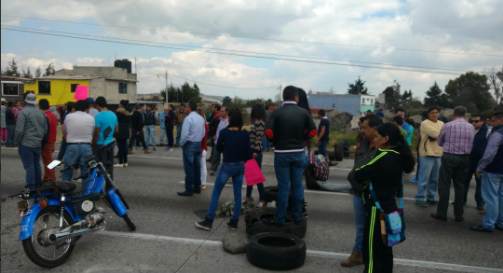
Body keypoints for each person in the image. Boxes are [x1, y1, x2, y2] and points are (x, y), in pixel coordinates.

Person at [354, 123, 415, 273]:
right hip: (389, 208)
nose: (373, 140)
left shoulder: (383, 156)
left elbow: (358, 173)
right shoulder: (398, 155)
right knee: (386, 251)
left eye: (376, 137)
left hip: (376, 210)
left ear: (386, 139)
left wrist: (369, 177)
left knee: (372, 254)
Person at [265, 86, 317, 225]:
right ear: (296, 97)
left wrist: (275, 141)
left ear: (283, 97)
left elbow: (268, 132)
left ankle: (280, 218)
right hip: (298, 153)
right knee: (297, 186)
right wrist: (302, 138)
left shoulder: (276, 112)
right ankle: (297, 216)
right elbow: (313, 131)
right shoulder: (304, 113)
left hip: (281, 154)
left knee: (283, 188)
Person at [196, 109, 252, 231]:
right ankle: (234, 222)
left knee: (216, 193)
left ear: (231, 119)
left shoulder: (225, 132)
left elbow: (219, 148)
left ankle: (209, 220)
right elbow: (249, 154)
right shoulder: (245, 134)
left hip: (227, 165)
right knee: (238, 195)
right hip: (240, 166)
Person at [342, 115, 383, 267]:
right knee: (361, 226)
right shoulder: (365, 144)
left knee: (376, 229)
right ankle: (358, 253)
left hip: (373, 196)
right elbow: (358, 163)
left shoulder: (384, 148)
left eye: (365, 128)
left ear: (375, 129)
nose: (362, 131)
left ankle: (371, 257)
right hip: (359, 193)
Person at [431, 106, 474, 222]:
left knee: (444, 184)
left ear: (453, 114)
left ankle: (442, 213)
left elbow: (439, 141)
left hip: (450, 156)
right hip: (465, 158)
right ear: (465, 115)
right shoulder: (471, 127)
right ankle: (459, 214)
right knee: (460, 186)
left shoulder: (448, 125)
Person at [471, 112, 503, 233]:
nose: (492, 123)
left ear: (501, 120)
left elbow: (490, 154)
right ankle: (500, 221)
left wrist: (480, 167)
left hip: (493, 169)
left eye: (494, 121)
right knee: (501, 197)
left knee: (491, 197)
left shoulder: (497, 134)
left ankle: (488, 223)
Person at [15, 93, 48, 190]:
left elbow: (19, 130)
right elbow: (45, 130)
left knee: (29, 166)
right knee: (36, 165)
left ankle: (30, 187)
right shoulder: (42, 113)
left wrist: (17, 141)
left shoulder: (23, 112)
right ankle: (38, 185)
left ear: (25, 101)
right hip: (37, 143)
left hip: (26, 143)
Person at [415, 106, 444, 208]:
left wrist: (442, 134)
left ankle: (431, 196)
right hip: (427, 154)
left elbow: (442, 134)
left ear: (439, 114)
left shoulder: (441, 123)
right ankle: (420, 197)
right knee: (424, 178)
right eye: (432, 112)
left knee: (435, 179)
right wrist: (442, 134)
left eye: (436, 112)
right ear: (428, 114)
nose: (434, 114)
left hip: (438, 154)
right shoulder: (425, 123)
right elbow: (436, 134)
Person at [62, 100, 95, 182]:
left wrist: (68, 141)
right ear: (86, 109)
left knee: (67, 171)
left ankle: (65, 193)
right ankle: (86, 193)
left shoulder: (68, 116)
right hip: (86, 146)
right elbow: (92, 133)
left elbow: (65, 131)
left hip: (71, 145)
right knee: (86, 173)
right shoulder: (91, 118)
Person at [177, 101, 205, 196]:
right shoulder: (201, 118)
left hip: (189, 145)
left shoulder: (188, 119)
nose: (185, 108)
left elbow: (184, 134)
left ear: (189, 108)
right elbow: (203, 133)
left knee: (189, 168)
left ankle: (189, 189)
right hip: (198, 144)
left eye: (186, 107)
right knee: (197, 168)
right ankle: (197, 187)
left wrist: (182, 143)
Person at [463, 115, 489, 211]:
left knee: (480, 183)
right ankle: (462, 200)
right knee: (465, 180)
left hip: (480, 161)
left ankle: (480, 203)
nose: (473, 123)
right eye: (471, 121)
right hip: (469, 159)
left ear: (482, 121)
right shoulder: (469, 130)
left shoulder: (488, 131)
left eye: (476, 121)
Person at [244, 104, 267, 208]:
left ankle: (262, 199)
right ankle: (248, 196)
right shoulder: (255, 122)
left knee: (257, 177)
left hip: (255, 153)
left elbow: (259, 138)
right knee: (250, 175)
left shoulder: (260, 123)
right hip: (251, 152)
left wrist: (256, 152)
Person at [93, 97, 118, 180]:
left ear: (97, 105)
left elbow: (96, 133)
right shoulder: (113, 115)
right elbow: (116, 130)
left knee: (100, 167)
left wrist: (93, 145)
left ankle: (98, 188)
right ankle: (109, 187)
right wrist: (108, 134)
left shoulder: (98, 116)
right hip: (110, 143)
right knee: (109, 167)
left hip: (100, 145)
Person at [39, 99, 58, 182]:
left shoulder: (44, 116)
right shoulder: (53, 115)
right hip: (52, 140)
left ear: (40, 106)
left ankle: (51, 179)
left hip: (46, 142)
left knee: (48, 162)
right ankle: (46, 178)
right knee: (47, 162)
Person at [410, 111, 429, 183]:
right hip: (426, 147)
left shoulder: (423, 124)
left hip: (421, 146)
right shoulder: (430, 124)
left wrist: (417, 144)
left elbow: (420, 137)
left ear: (423, 117)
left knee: (420, 163)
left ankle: (418, 177)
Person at [210, 106, 229, 176]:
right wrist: (213, 135)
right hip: (217, 141)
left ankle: (225, 170)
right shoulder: (217, 119)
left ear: (226, 112)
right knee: (215, 155)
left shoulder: (229, 121)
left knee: (226, 157)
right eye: (220, 111)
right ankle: (213, 168)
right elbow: (210, 126)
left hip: (226, 142)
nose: (221, 113)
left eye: (222, 111)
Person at [114, 100, 132, 168]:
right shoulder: (129, 112)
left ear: (121, 105)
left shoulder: (119, 112)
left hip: (120, 130)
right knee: (124, 147)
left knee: (120, 147)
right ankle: (125, 162)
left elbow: (116, 121)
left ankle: (120, 162)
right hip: (126, 130)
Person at [196, 108, 209, 190]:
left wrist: (200, 149)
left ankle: (202, 183)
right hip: (203, 148)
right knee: (202, 166)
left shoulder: (201, 125)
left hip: (201, 148)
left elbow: (202, 138)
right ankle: (202, 183)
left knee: (202, 166)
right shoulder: (205, 124)